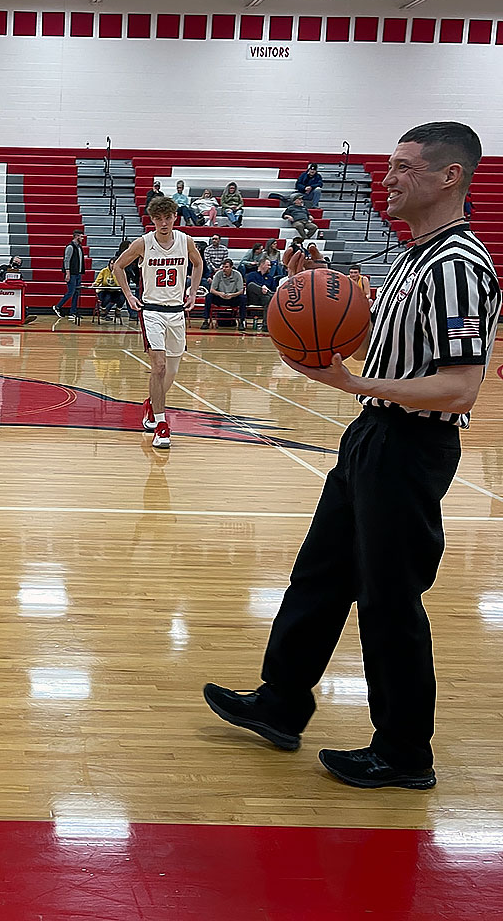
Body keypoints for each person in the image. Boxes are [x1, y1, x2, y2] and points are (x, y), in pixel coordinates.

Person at [204, 121, 500, 790]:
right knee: (322, 572)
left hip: (411, 444)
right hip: (374, 433)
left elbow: (459, 385)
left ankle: (403, 752)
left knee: (389, 599)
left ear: (448, 176)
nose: (386, 179)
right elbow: (396, 351)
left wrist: (354, 382)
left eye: (402, 167)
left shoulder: (458, 266)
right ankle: (281, 701)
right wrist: (318, 305)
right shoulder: (415, 255)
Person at [113, 197, 203, 450]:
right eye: (158, 219)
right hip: (151, 311)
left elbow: (198, 264)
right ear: (152, 220)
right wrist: (129, 295)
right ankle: (162, 425)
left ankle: (151, 405)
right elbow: (118, 266)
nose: (163, 223)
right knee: (160, 367)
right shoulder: (143, 243)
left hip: (177, 311)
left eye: (168, 217)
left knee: (172, 371)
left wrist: (193, 292)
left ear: (175, 216)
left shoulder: (186, 241)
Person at [202, 258, 246, 330]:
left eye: (226, 267)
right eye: (223, 267)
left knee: (243, 298)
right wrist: (220, 294)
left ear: (231, 267)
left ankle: (242, 322)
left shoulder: (237, 275)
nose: (224, 269)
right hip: (220, 297)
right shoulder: (218, 274)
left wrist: (232, 295)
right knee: (209, 296)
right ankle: (205, 321)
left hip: (233, 298)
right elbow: (212, 290)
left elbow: (241, 291)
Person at [54, 229, 86, 322]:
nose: (82, 238)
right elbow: (66, 260)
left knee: (76, 292)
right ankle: (58, 306)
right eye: (81, 236)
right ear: (76, 236)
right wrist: (67, 272)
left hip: (78, 273)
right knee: (71, 292)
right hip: (72, 274)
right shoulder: (70, 247)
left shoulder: (79, 247)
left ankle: (73, 311)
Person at [244, 256, 279, 323]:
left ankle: (266, 324)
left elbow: (274, 289)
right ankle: (268, 292)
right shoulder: (251, 275)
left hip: (265, 299)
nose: (270, 267)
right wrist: (261, 288)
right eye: (268, 265)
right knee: (251, 285)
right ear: (262, 265)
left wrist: (267, 291)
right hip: (253, 298)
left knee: (268, 298)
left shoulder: (270, 278)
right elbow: (249, 287)